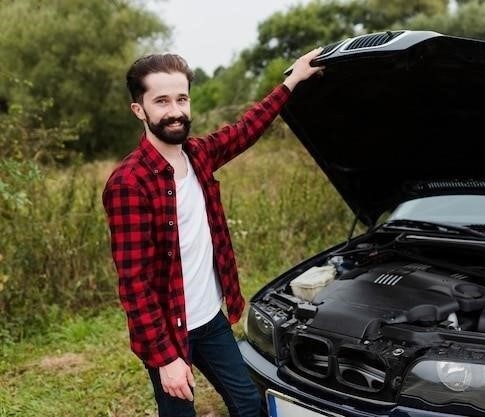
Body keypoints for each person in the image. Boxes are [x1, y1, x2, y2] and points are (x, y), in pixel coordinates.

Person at [102, 48, 323, 417]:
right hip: (168, 333)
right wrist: (165, 359)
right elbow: (134, 284)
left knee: (250, 404)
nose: (175, 111)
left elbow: (246, 129)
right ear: (139, 109)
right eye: (161, 101)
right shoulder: (129, 183)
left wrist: (293, 79)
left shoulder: (198, 154)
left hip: (209, 319)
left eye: (181, 98)